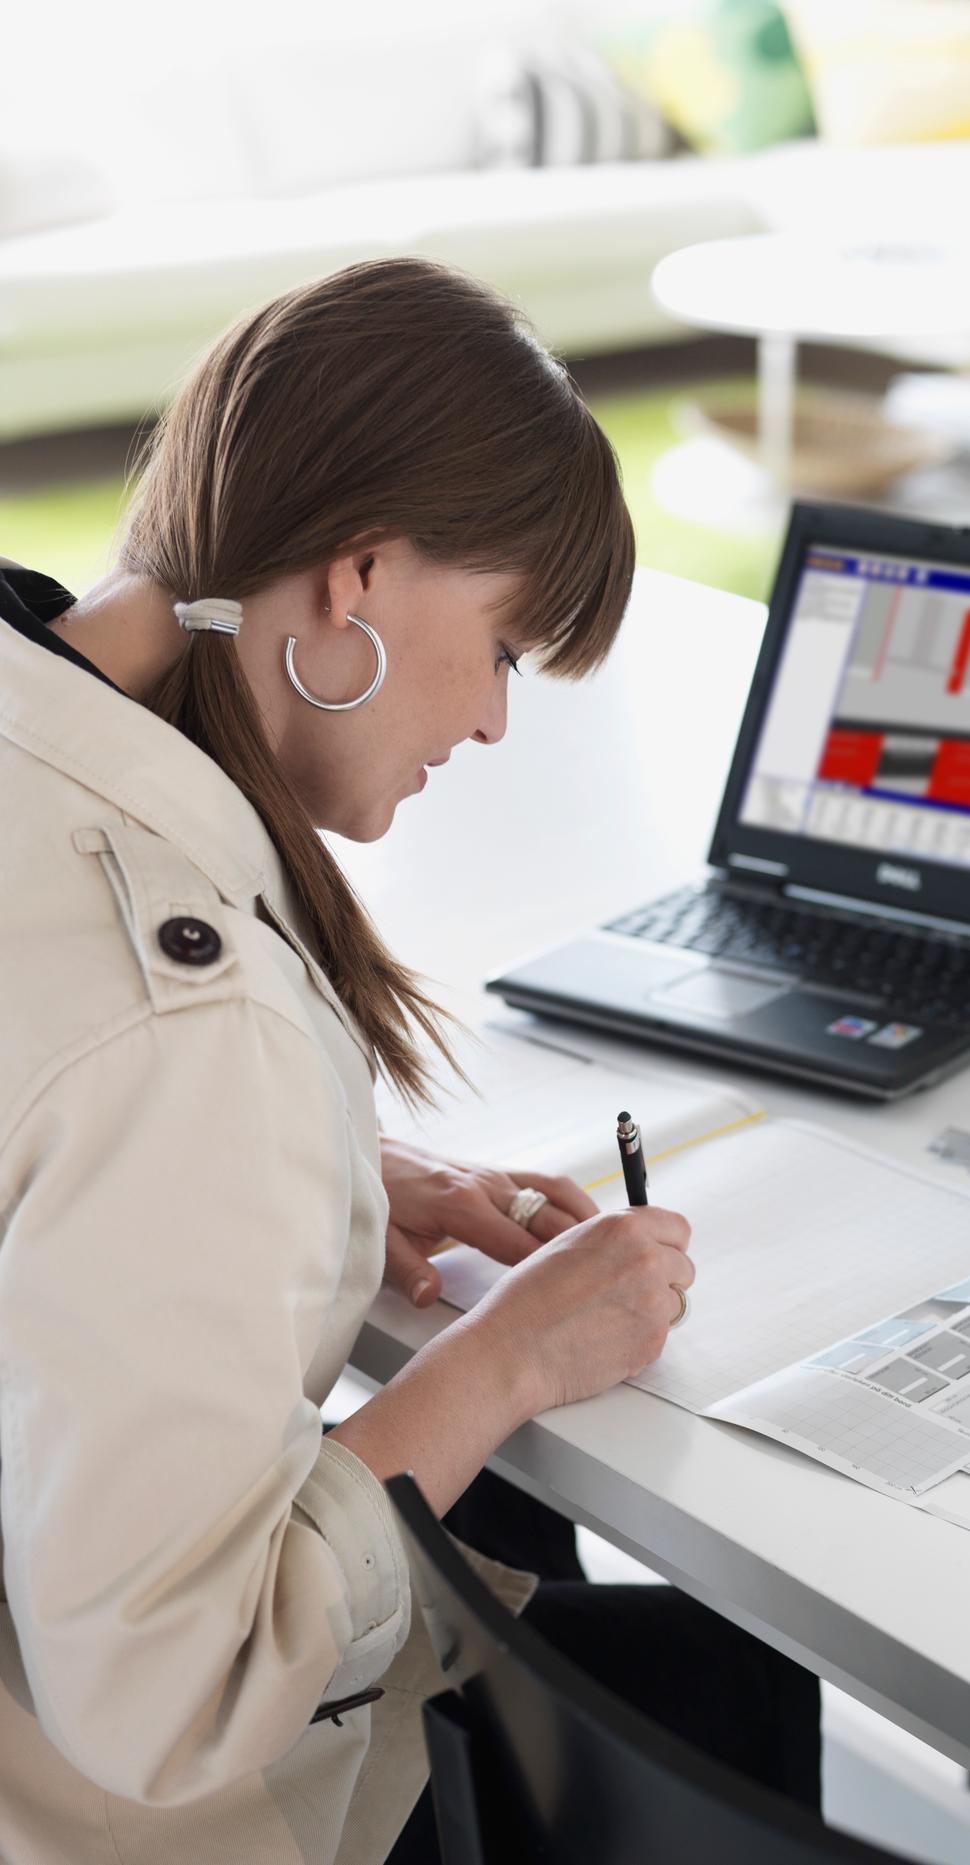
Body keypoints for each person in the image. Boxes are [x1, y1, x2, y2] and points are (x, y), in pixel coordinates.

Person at [0, 255, 820, 1865]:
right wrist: (506, 1358)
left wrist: (331, 1182)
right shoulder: (189, 1025)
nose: (501, 724)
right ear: (358, 578)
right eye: (510, 648)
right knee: (695, 1679)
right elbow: (170, 1692)